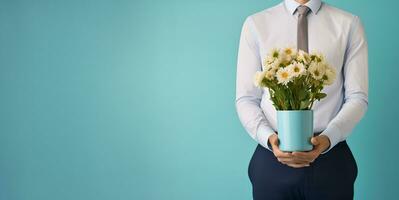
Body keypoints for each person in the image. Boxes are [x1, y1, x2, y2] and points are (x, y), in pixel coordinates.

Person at [235, 0, 368, 199]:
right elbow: (246, 98)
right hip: (272, 160)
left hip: (331, 160)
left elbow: (357, 97)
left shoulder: (348, 24)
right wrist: (270, 139)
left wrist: (328, 138)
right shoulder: (256, 24)